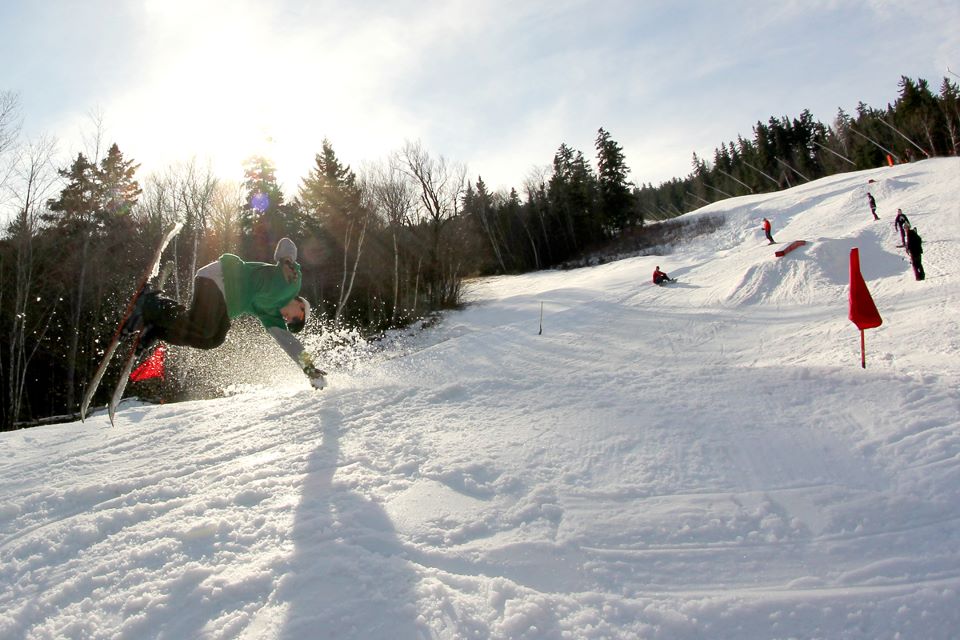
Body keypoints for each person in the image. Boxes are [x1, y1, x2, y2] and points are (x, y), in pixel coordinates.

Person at [127, 237, 327, 389]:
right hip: (220, 277)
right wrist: (286, 260)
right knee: (204, 327)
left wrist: (308, 368)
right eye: (294, 319)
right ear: (301, 307)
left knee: (212, 339)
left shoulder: (271, 315)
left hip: (222, 303)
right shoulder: (292, 283)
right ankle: (151, 301)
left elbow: (289, 342)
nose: (287, 321)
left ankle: (155, 330)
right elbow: (287, 244)